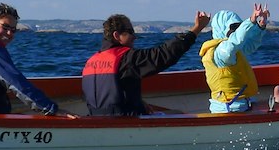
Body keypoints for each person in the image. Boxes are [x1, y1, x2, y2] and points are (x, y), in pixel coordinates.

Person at [82, 11, 211, 116]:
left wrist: (139, 102)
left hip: (97, 119)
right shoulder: (126, 59)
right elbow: (164, 54)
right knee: (178, 114)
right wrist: (196, 29)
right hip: (125, 122)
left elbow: (111, 94)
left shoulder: (91, 62)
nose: (134, 37)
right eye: (130, 32)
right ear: (117, 35)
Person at [199, 3, 269, 113]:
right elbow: (235, 42)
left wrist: (261, 26)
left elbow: (249, 45)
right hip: (229, 108)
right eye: (233, 28)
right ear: (222, 28)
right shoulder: (222, 52)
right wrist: (251, 21)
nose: (236, 31)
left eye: (238, 27)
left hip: (241, 104)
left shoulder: (233, 50)